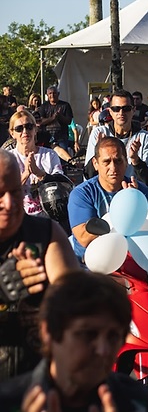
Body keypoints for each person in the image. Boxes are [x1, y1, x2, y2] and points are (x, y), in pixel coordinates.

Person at [0, 271, 148, 411]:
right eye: (87, 334)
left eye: (113, 337)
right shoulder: (10, 401)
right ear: (49, 332)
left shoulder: (143, 403)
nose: (103, 350)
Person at [0, 150, 79, 380]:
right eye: (0, 194)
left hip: (42, 375)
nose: (9, 202)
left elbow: (72, 293)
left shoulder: (44, 232)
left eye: (15, 191)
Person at [69, 137, 148, 259]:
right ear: (95, 164)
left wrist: (136, 202)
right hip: (89, 264)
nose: (113, 168)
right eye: (106, 162)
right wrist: (128, 209)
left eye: (118, 161)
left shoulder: (140, 191)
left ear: (126, 162)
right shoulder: (82, 194)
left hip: (130, 261)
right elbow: (84, 238)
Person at [84, 90, 148, 187]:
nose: (121, 112)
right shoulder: (99, 133)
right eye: (116, 108)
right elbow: (88, 175)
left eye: (126, 108)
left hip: (134, 193)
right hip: (104, 193)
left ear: (133, 110)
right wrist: (98, 152)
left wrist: (136, 160)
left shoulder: (145, 137)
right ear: (110, 111)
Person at [8, 111, 64, 216]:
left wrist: (39, 173)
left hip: (49, 215)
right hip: (17, 217)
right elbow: (4, 191)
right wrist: (25, 174)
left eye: (29, 127)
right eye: (19, 129)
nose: (25, 131)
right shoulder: (7, 159)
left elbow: (61, 184)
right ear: (12, 133)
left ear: (35, 129)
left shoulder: (49, 155)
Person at [37, 86, 73, 151]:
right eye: (50, 93)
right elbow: (40, 121)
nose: (52, 95)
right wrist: (52, 118)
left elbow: (69, 121)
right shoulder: (44, 106)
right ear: (47, 95)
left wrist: (60, 116)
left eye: (54, 93)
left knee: (63, 156)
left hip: (61, 136)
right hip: (47, 136)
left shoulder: (65, 105)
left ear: (58, 94)